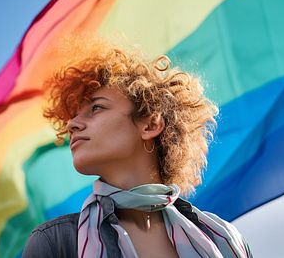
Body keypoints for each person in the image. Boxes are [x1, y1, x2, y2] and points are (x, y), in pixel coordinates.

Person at [22, 36, 252, 258]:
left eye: (96, 108)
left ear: (151, 124)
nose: (72, 124)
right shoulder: (55, 243)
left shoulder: (225, 240)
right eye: (72, 115)